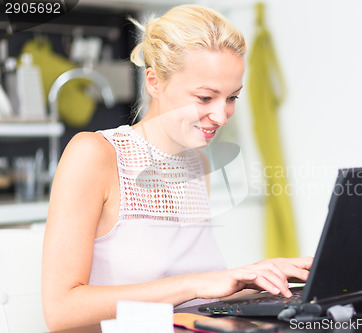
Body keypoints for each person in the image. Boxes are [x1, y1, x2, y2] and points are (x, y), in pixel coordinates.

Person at [41, 4, 312, 331]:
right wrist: (197, 283)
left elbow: (190, 304)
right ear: (155, 82)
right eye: (204, 98)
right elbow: (60, 310)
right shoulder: (95, 154)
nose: (221, 116)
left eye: (231, 98)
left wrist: (252, 277)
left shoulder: (196, 162)